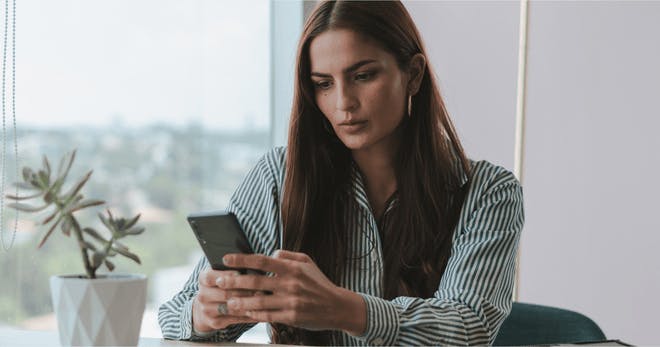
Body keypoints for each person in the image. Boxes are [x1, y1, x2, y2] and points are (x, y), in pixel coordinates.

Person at [158, 1, 524, 345]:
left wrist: (343, 309)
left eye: (363, 76)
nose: (343, 103)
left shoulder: (488, 192)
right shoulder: (279, 177)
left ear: (413, 75)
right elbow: (174, 315)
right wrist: (206, 314)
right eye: (323, 84)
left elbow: (469, 326)